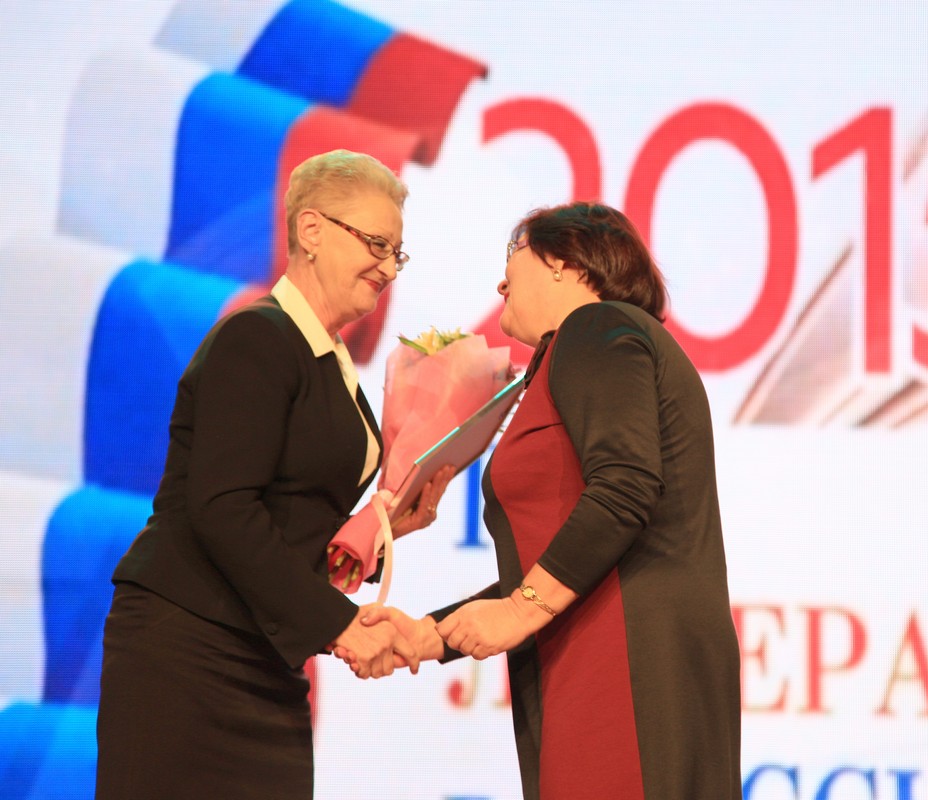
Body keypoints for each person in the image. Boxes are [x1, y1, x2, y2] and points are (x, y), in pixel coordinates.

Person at [95, 149, 452, 799]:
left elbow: (291, 521)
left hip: (264, 656)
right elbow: (223, 508)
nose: (386, 267)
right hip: (188, 648)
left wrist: (386, 528)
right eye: (375, 244)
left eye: (396, 253)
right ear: (310, 230)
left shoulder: (329, 361)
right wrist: (340, 624)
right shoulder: (258, 338)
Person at [356, 202, 742, 799]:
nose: (501, 283)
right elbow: (564, 557)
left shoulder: (595, 327)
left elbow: (624, 490)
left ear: (565, 262)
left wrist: (518, 613)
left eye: (514, 252)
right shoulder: (589, 347)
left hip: (623, 662)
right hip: (608, 652)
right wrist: (430, 636)